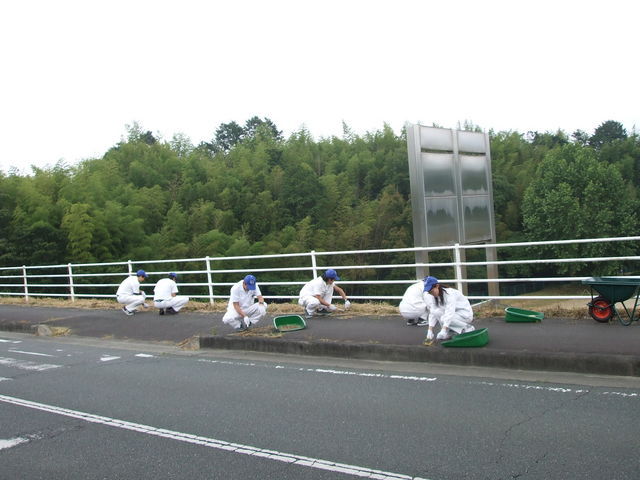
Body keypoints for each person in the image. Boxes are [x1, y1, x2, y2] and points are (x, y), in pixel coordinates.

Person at [423, 276, 474, 342]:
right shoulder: (434, 296)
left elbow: (450, 312)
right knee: (437, 312)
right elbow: (433, 312)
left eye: (432, 291)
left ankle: (467, 328)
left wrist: (443, 329)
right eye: (429, 292)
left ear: (437, 286)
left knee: (444, 318)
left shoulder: (450, 294)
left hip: (465, 315)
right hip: (455, 315)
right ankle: (449, 332)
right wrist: (430, 330)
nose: (431, 294)